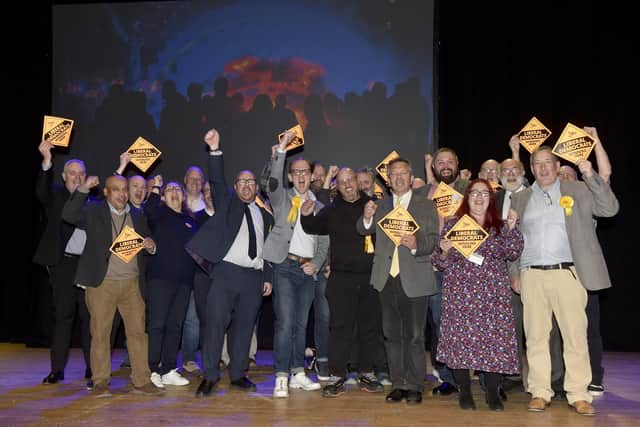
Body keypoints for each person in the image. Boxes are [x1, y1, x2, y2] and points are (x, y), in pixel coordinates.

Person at [509, 145, 619, 416]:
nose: (543, 168)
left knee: (575, 337)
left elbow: (609, 208)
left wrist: (590, 174)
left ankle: (579, 394)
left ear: (557, 166)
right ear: (532, 168)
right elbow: (514, 239)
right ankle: (539, 391)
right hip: (531, 274)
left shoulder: (578, 190)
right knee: (535, 338)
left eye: (548, 162)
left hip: (568, 273)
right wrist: (514, 271)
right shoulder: (521, 198)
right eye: (537, 163)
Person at [186, 128, 274, 397]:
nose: (247, 186)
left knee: (245, 327)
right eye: (242, 182)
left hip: (253, 277)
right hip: (225, 274)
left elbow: (268, 248)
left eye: (251, 183)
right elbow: (215, 178)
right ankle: (210, 375)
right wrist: (215, 150)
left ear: (256, 188)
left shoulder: (265, 215)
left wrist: (267, 276)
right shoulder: (228, 204)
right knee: (214, 324)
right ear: (235, 188)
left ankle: (237, 374)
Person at [62, 174, 162, 398]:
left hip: (132, 285)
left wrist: (151, 245)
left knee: (138, 334)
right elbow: (68, 215)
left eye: (125, 189)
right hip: (102, 284)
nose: (122, 194)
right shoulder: (93, 211)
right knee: (100, 333)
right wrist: (84, 190)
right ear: (106, 192)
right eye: (116, 190)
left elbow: (148, 238)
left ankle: (141, 381)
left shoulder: (137, 214)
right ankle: (100, 383)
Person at [433, 179, 523, 411]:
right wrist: (443, 251)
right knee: (460, 343)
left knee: (493, 344)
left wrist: (513, 229)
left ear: (491, 199)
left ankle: (492, 392)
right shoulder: (453, 224)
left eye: (484, 193)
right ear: (467, 197)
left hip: (493, 296)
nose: (479, 197)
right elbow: (438, 262)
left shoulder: (501, 226)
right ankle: (464, 392)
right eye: (474, 193)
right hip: (460, 294)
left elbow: (513, 252)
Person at [357, 158, 439, 405]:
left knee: (414, 336)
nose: (399, 178)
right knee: (392, 336)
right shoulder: (380, 205)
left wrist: (416, 245)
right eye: (394, 174)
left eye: (403, 173)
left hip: (415, 278)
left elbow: (433, 240)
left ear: (411, 176)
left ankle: (415, 385)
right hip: (386, 279)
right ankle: (399, 383)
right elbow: (362, 229)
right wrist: (367, 217)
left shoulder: (425, 205)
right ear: (388, 180)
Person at [301, 168, 386, 397]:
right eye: (342, 182)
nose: (347, 185)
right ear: (336, 187)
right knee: (339, 329)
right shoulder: (331, 210)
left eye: (351, 180)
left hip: (370, 278)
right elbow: (312, 227)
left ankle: (366, 373)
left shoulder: (374, 205)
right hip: (340, 279)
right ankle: (337, 376)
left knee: (369, 329)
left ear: (358, 182)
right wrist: (306, 215)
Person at [263, 131, 329, 398]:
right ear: (291, 177)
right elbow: (271, 183)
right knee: (285, 322)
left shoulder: (320, 206)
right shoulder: (282, 199)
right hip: (284, 267)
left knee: (301, 325)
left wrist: (316, 262)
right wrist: (280, 151)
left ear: (312, 176)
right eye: (297, 172)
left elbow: (324, 243)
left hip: (307, 271)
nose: (301, 176)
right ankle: (281, 375)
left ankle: (297, 373)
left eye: (306, 172)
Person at [33, 139, 92, 388]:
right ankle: (57, 370)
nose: (77, 178)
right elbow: (41, 192)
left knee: (89, 318)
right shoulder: (55, 194)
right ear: (65, 176)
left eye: (81, 174)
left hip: (87, 266)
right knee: (63, 317)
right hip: (63, 265)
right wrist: (47, 160)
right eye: (72, 173)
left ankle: (93, 368)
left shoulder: (91, 201)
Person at [145, 177, 203, 389]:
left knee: (175, 326)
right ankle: (152, 369)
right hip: (160, 278)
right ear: (163, 196)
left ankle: (169, 368)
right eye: (170, 189)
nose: (175, 192)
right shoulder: (158, 214)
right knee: (157, 324)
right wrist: (157, 187)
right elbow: (148, 210)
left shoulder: (191, 221)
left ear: (184, 196)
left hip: (184, 282)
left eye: (178, 189)